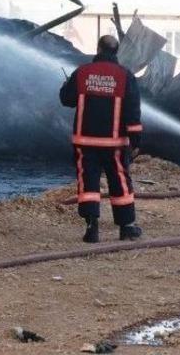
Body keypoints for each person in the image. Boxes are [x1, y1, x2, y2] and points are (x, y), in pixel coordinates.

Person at [59, 35, 143, 243]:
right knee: (120, 182)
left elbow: (66, 100)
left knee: (88, 183)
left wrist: (66, 85)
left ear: (98, 48)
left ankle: (91, 228)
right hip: (114, 144)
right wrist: (136, 141)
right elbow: (133, 111)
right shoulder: (125, 76)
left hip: (85, 142)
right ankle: (126, 227)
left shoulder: (82, 72)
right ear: (116, 51)